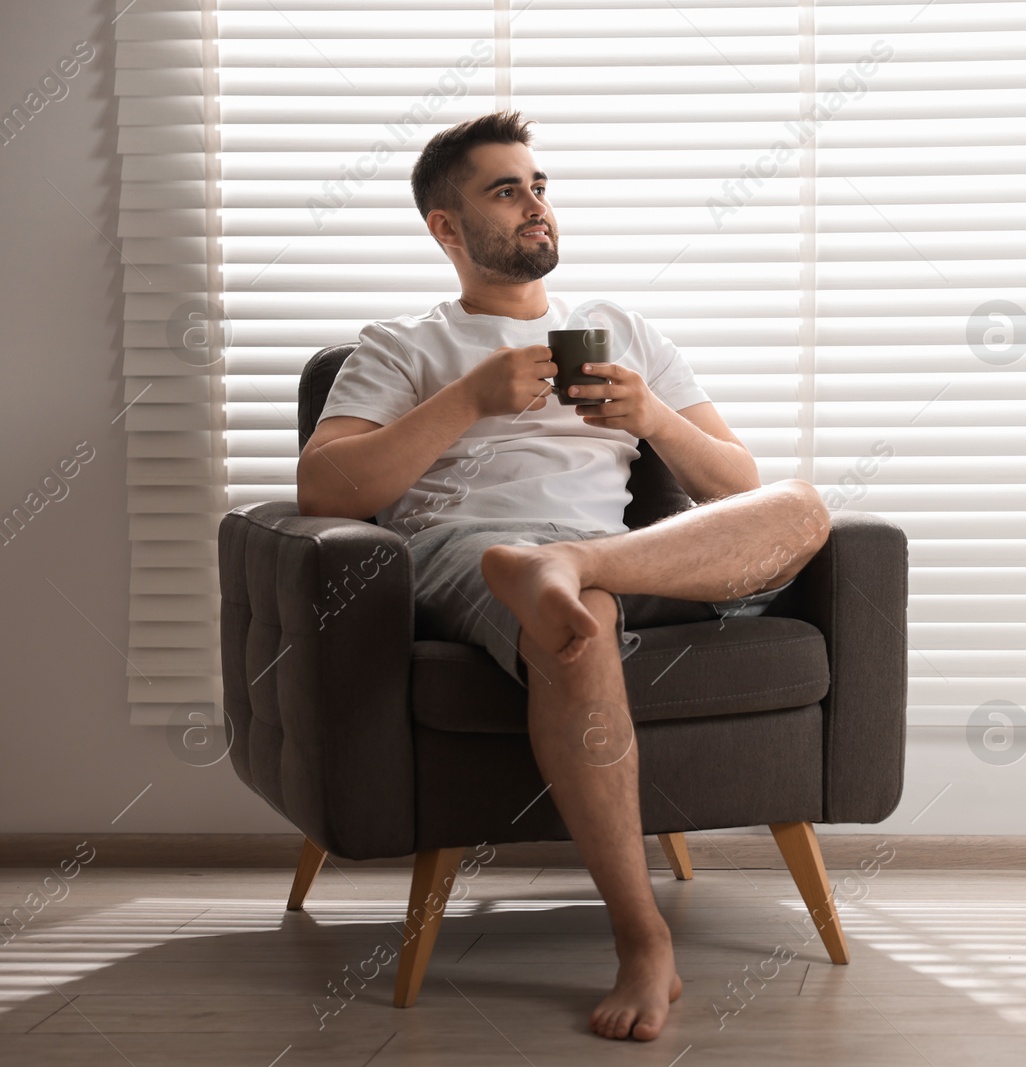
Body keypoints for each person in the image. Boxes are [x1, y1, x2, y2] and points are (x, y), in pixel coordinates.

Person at [296, 110, 830, 1042]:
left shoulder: (622, 328)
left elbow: (734, 482)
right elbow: (325, 486)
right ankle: (642, 938)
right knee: (571, 620)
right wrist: (469, 399)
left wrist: (652, 416)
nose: (536, 204)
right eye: (507, 190)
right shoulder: (401, 347)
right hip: (472, 551)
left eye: (539, 185)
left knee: (803, 507)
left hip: (602, 551)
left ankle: (570, 562)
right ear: (446, 228)